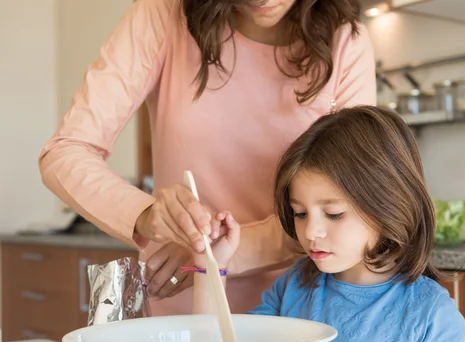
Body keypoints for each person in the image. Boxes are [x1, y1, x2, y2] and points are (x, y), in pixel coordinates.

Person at [38, 0, 376, 314]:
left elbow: (353, 196)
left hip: (303, 302)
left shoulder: (346, 42)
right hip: (187, 305)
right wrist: (144, 214)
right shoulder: (164, 14)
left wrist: (211, 255)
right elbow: (66, 151)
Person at [206, 105, 465, 342]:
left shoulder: (431, 315)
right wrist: (211, 266)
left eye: (333, 214)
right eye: (300, 213)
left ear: (388, 205)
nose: (310, 232)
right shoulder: (294, 287)